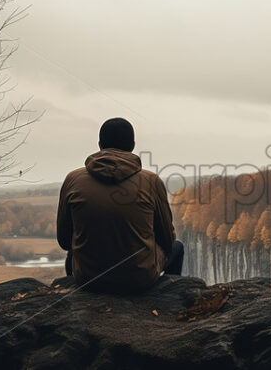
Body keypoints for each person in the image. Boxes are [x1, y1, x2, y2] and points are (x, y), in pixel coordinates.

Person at [56, 117, 184, 292]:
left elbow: (64, 241)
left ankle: (76, 300)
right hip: (139, 278)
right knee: (178, 247)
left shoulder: (73, 179)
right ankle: (174, 299)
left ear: (100, 144)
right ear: (132, 145)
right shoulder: (151, 181)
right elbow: (167, 241)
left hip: (88, 278)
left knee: (73, 252)